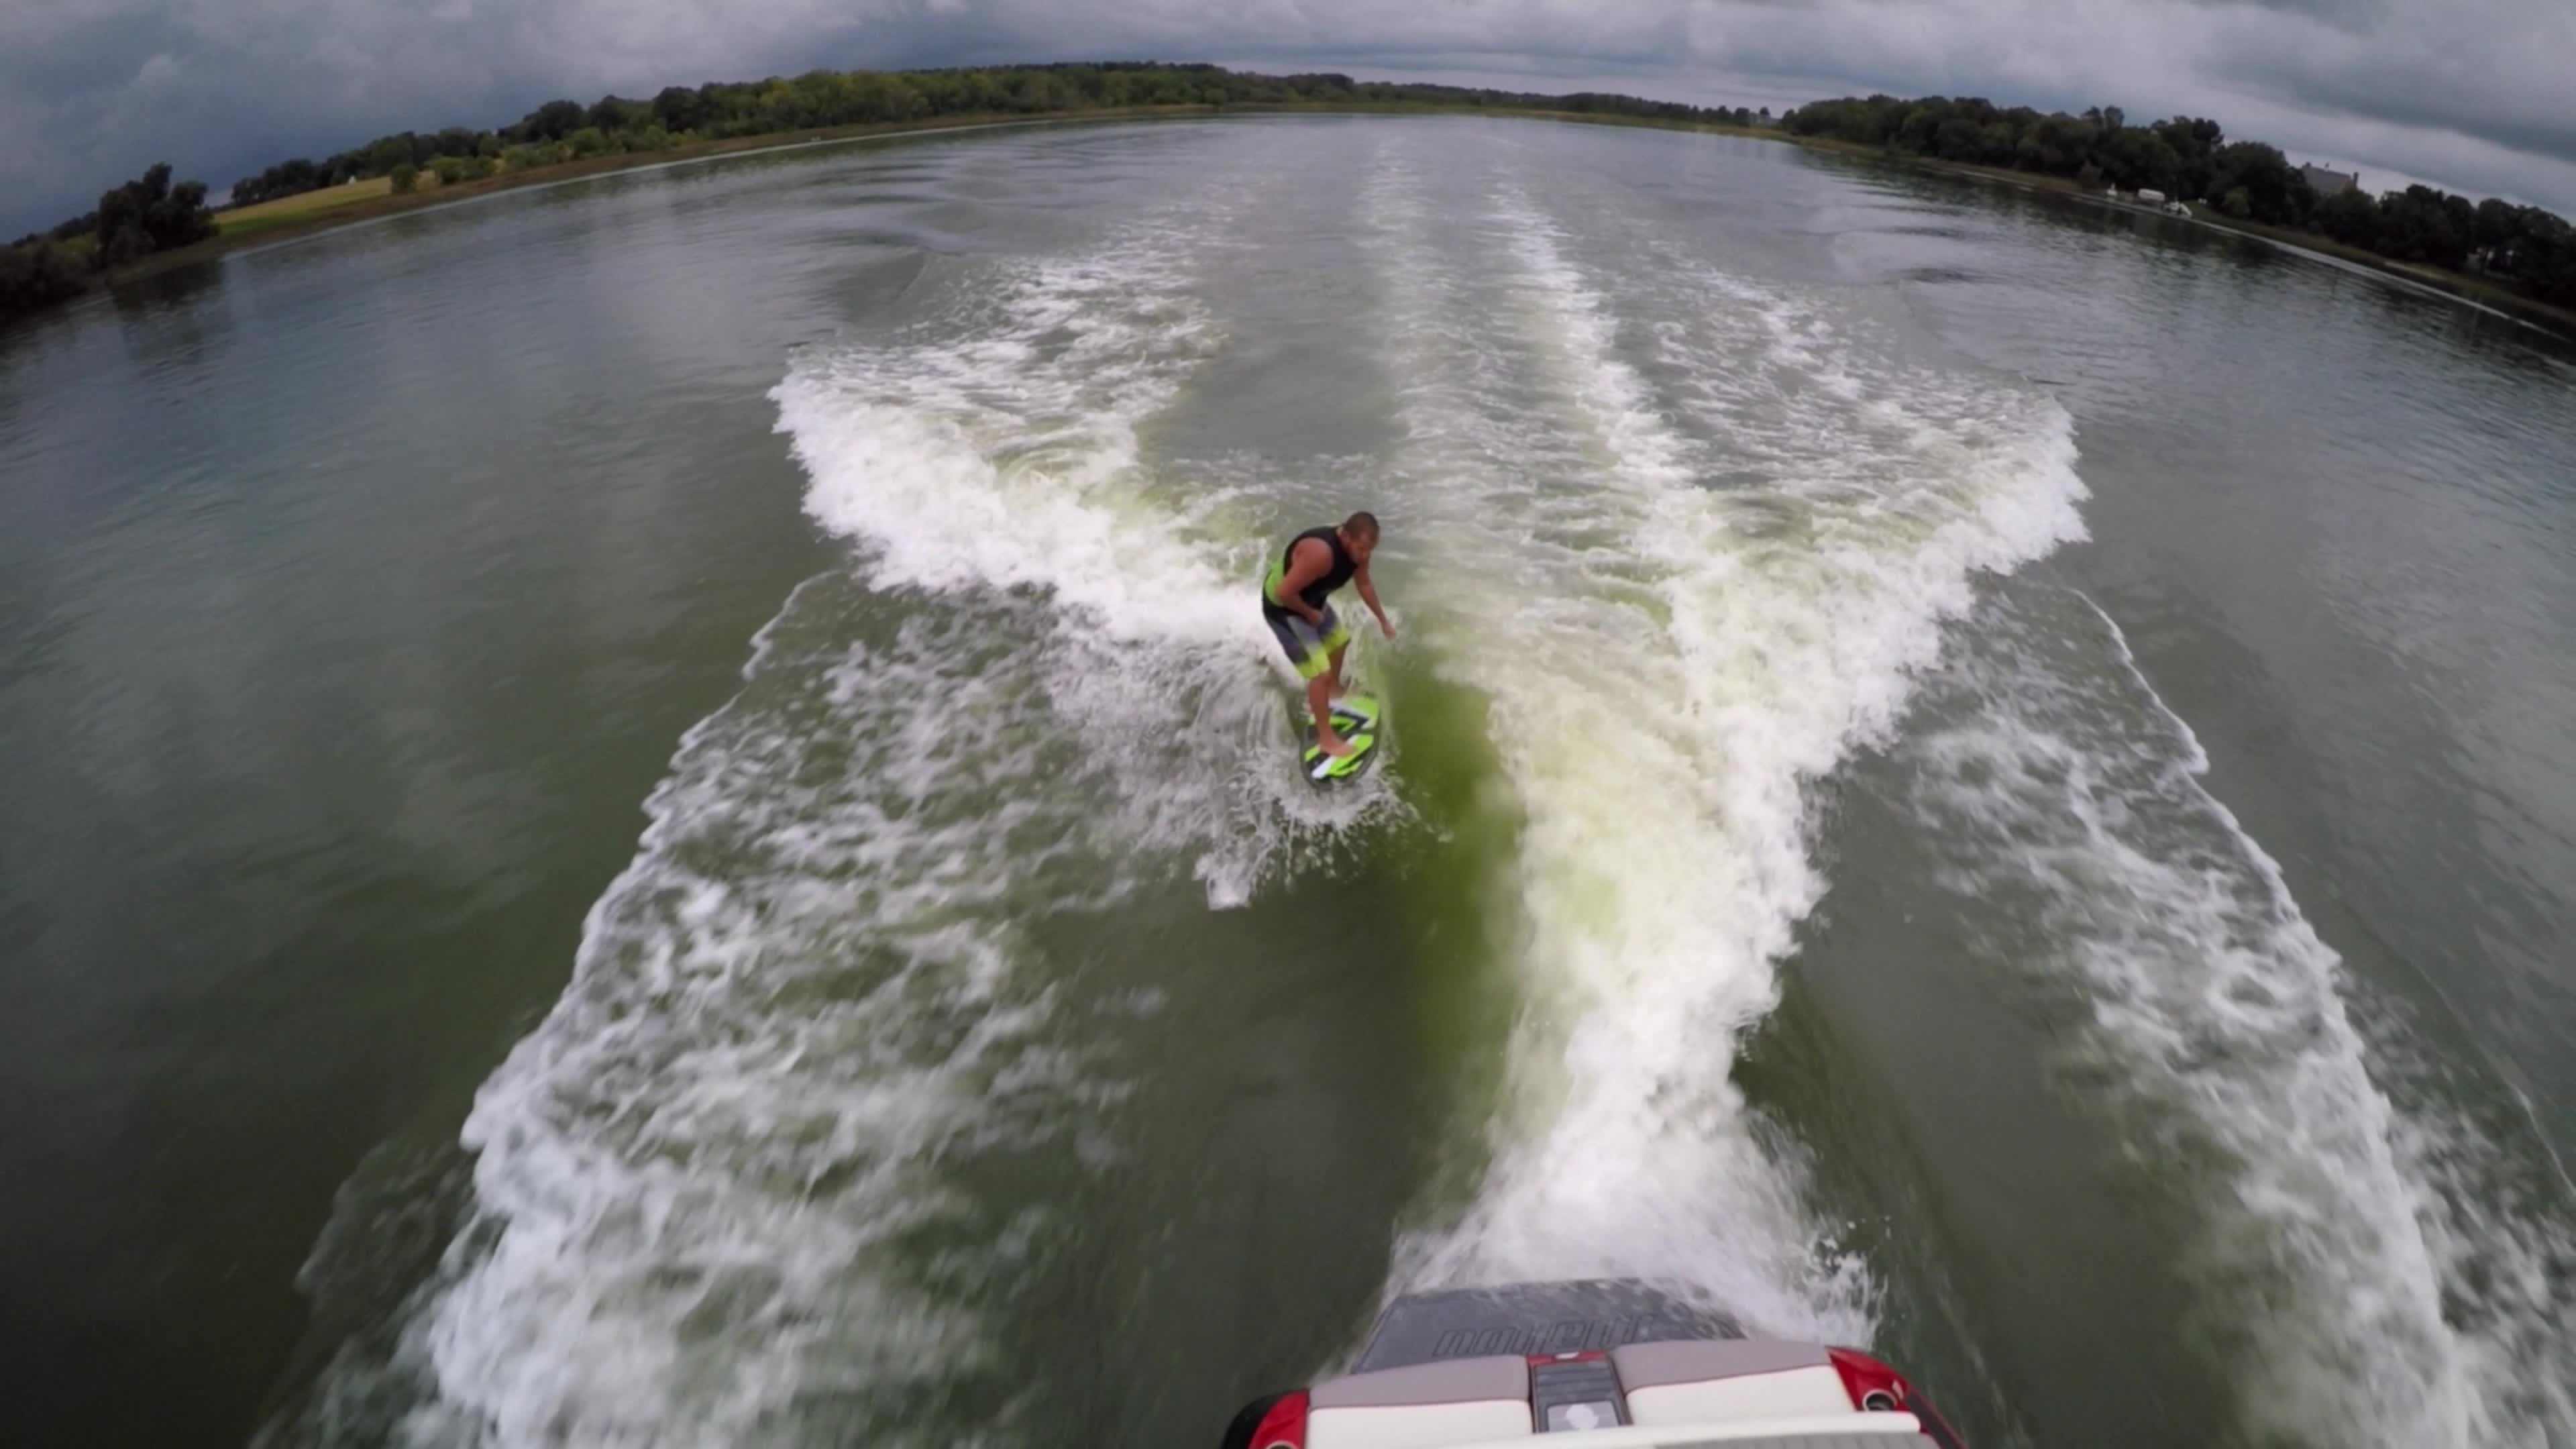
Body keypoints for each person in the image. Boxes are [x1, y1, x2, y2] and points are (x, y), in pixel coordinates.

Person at [1261, 511, 1395, 757]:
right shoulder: (1321, 554)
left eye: (1370, 550)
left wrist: (1383, 620)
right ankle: (1326, 739)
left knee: (1339, 641)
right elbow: (1284, 592)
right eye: (1362, 548)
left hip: (1311, 600)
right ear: (1346, 536)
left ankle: (1333, 692)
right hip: (1284, 607)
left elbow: (1364, 584)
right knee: (1320, 673)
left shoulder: (1358, 551)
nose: (1365, 556)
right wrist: (1308, 614)